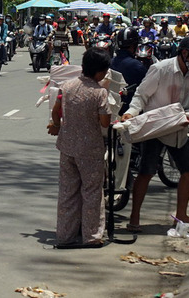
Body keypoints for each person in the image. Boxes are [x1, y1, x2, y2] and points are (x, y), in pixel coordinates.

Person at [122, 36, 189, 233]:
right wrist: (131, 113)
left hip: (178, 129)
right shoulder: (161, 69)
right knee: (146, 172)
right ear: (184, 53)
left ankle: (181, 215)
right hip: (155, 128)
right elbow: (141, 95)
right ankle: (134, 217)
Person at [47, 47, 112, 248]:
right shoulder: (100, 92)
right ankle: (91, 236)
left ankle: (65, 236)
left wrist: (57, 126)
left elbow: (56, 111)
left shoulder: (66, 86)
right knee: (92, 192)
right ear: (100, 72)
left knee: (68, 192)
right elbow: (104, 123)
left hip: (67, 147)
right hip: (90, 150)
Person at [111, 27, 146, 112]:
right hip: (131, 111)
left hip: (111, 107)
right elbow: (147, 89)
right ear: (134, 45)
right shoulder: (137, 66)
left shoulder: (109, 62)